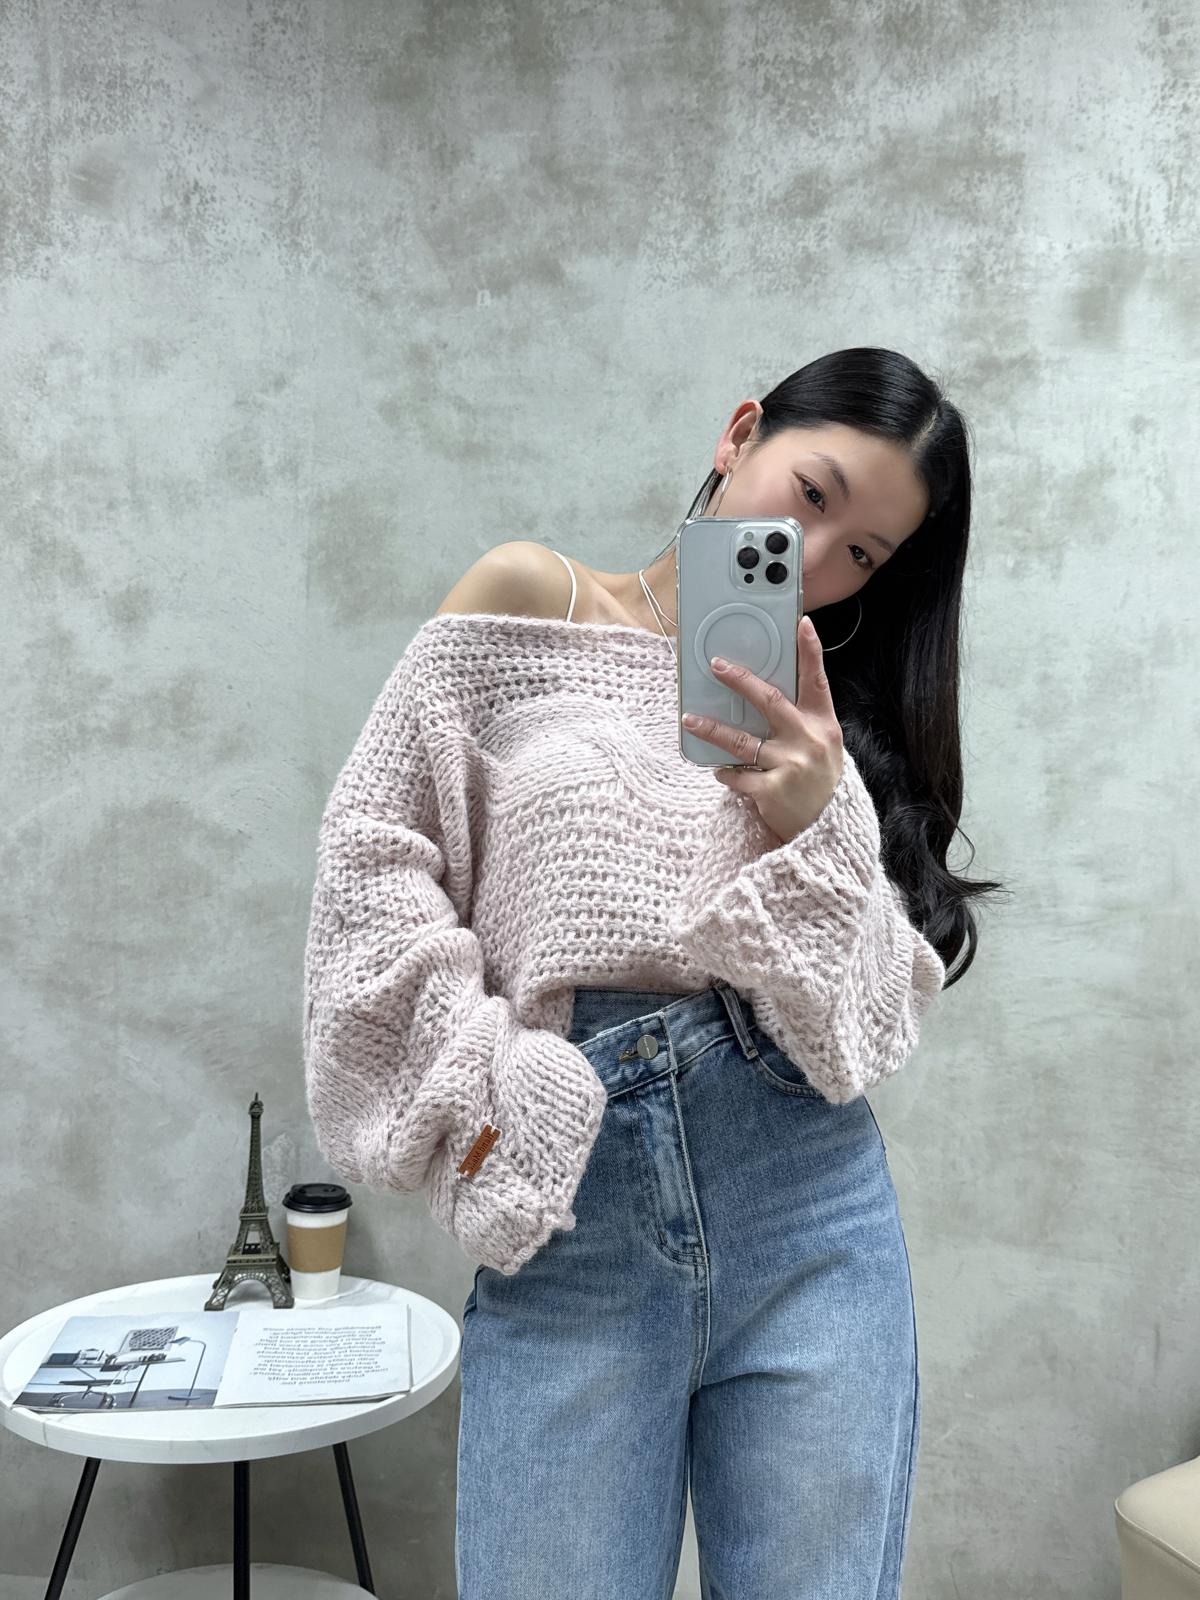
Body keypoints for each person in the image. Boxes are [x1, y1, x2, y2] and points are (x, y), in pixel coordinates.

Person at [302, 346, 1003, 1598]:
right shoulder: (529, 599)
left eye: (862, 553)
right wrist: (498, 1091)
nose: (816, 552)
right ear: (740, 435)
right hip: (575, 1216)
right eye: (814, 491)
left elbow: (861, 1023)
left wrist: (814, 818)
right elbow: (374, 862)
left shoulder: (826, 728)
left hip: (809, 1217)